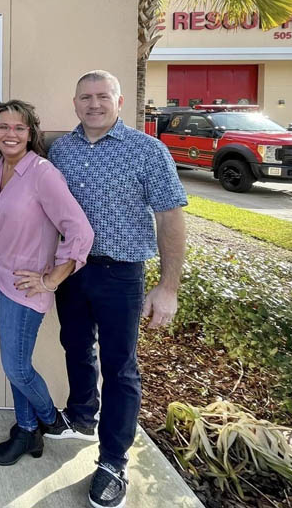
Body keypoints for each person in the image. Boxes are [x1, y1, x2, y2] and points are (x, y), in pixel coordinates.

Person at [49, 70, 187, 508]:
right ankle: (81, 415)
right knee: (74, 347)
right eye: (85, 97)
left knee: (121, 366)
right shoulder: (61, 150)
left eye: (102, 96)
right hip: (70, 272)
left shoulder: (148, 151)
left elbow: (170, 218)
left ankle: (112, 460)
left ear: (119, 101)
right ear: (74, 103)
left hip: (121, 274)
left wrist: (168, 287)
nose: (94, 104)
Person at [0, 100, 94, 467]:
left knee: (16, 366)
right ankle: (27, 430)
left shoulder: (43, 173)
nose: (10, 134)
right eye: (3, 127)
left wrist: (52, 278)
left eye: (19, 128)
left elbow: (79, 230)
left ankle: (49, 418)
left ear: (31, 134)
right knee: (15, 359)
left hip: (26, 286)